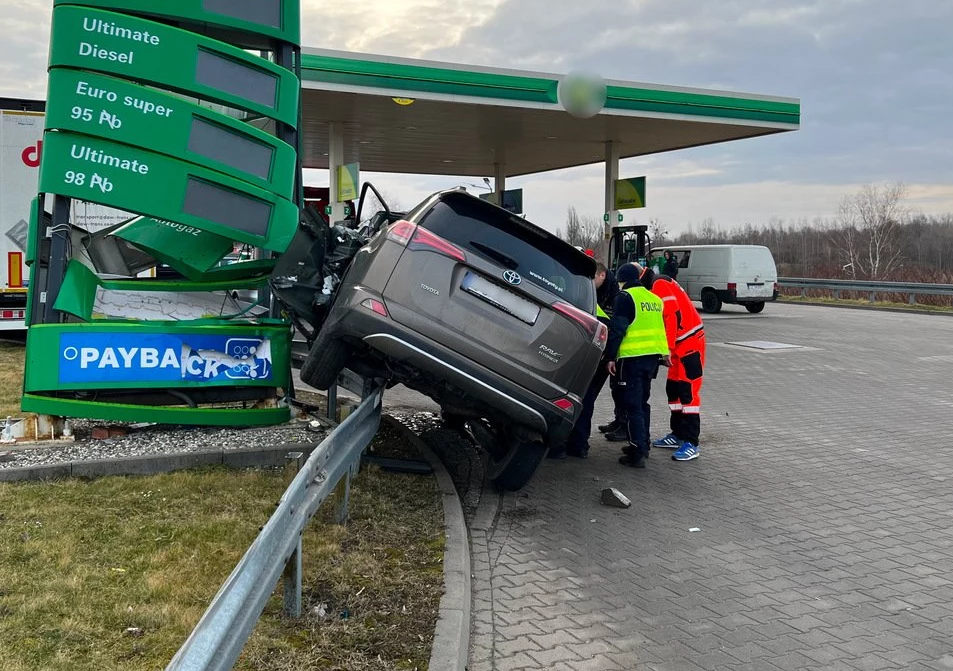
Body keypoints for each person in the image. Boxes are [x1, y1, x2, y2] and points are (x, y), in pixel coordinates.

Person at [634, 261, 706, 461]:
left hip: (689, 343)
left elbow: (671, 316)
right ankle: (678, 434)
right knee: (673, 389)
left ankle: (691, 442)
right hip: (680, 343)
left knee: (688, 391)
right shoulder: (656, 283)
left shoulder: (659, 284)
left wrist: (666, 349)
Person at [603, 263, 670, 468]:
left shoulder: (625, 298)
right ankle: (644, 443)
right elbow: (659, 327)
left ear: (622, 280)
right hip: (651, 360)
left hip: (631, 358)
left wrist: (610, 357)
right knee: (642, 403)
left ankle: (637, 451)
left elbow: (618, 329)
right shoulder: (654, 299)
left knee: (631, 406)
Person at [549, 262, 618, 459]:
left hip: (583, 358)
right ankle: (578, 445)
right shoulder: (601, 300)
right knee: (585, 401)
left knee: (568, 399)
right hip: (600, 359)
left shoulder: (578, 300)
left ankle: (559, 445)